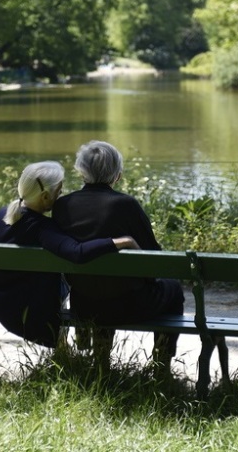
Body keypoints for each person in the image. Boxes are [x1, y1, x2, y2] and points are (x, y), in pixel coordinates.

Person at [52, 140, 184, 365]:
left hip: (83, 305)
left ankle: (101, 362)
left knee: (102, 285)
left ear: (81, 172)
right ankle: (162, 365)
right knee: (173, 289)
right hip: (129, 306)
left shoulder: (62, 205)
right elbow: (154, 259)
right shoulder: (126, 206)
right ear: (118, 175)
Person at [0, 160, 138, 348]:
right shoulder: (42, 228)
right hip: (22, 309)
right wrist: (121, 241)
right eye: (59, 191)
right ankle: (83, 333)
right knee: (76, 277)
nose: (61, 194)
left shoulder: (4, 213)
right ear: (46, 197)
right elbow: (77, 253)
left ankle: (82, 338)